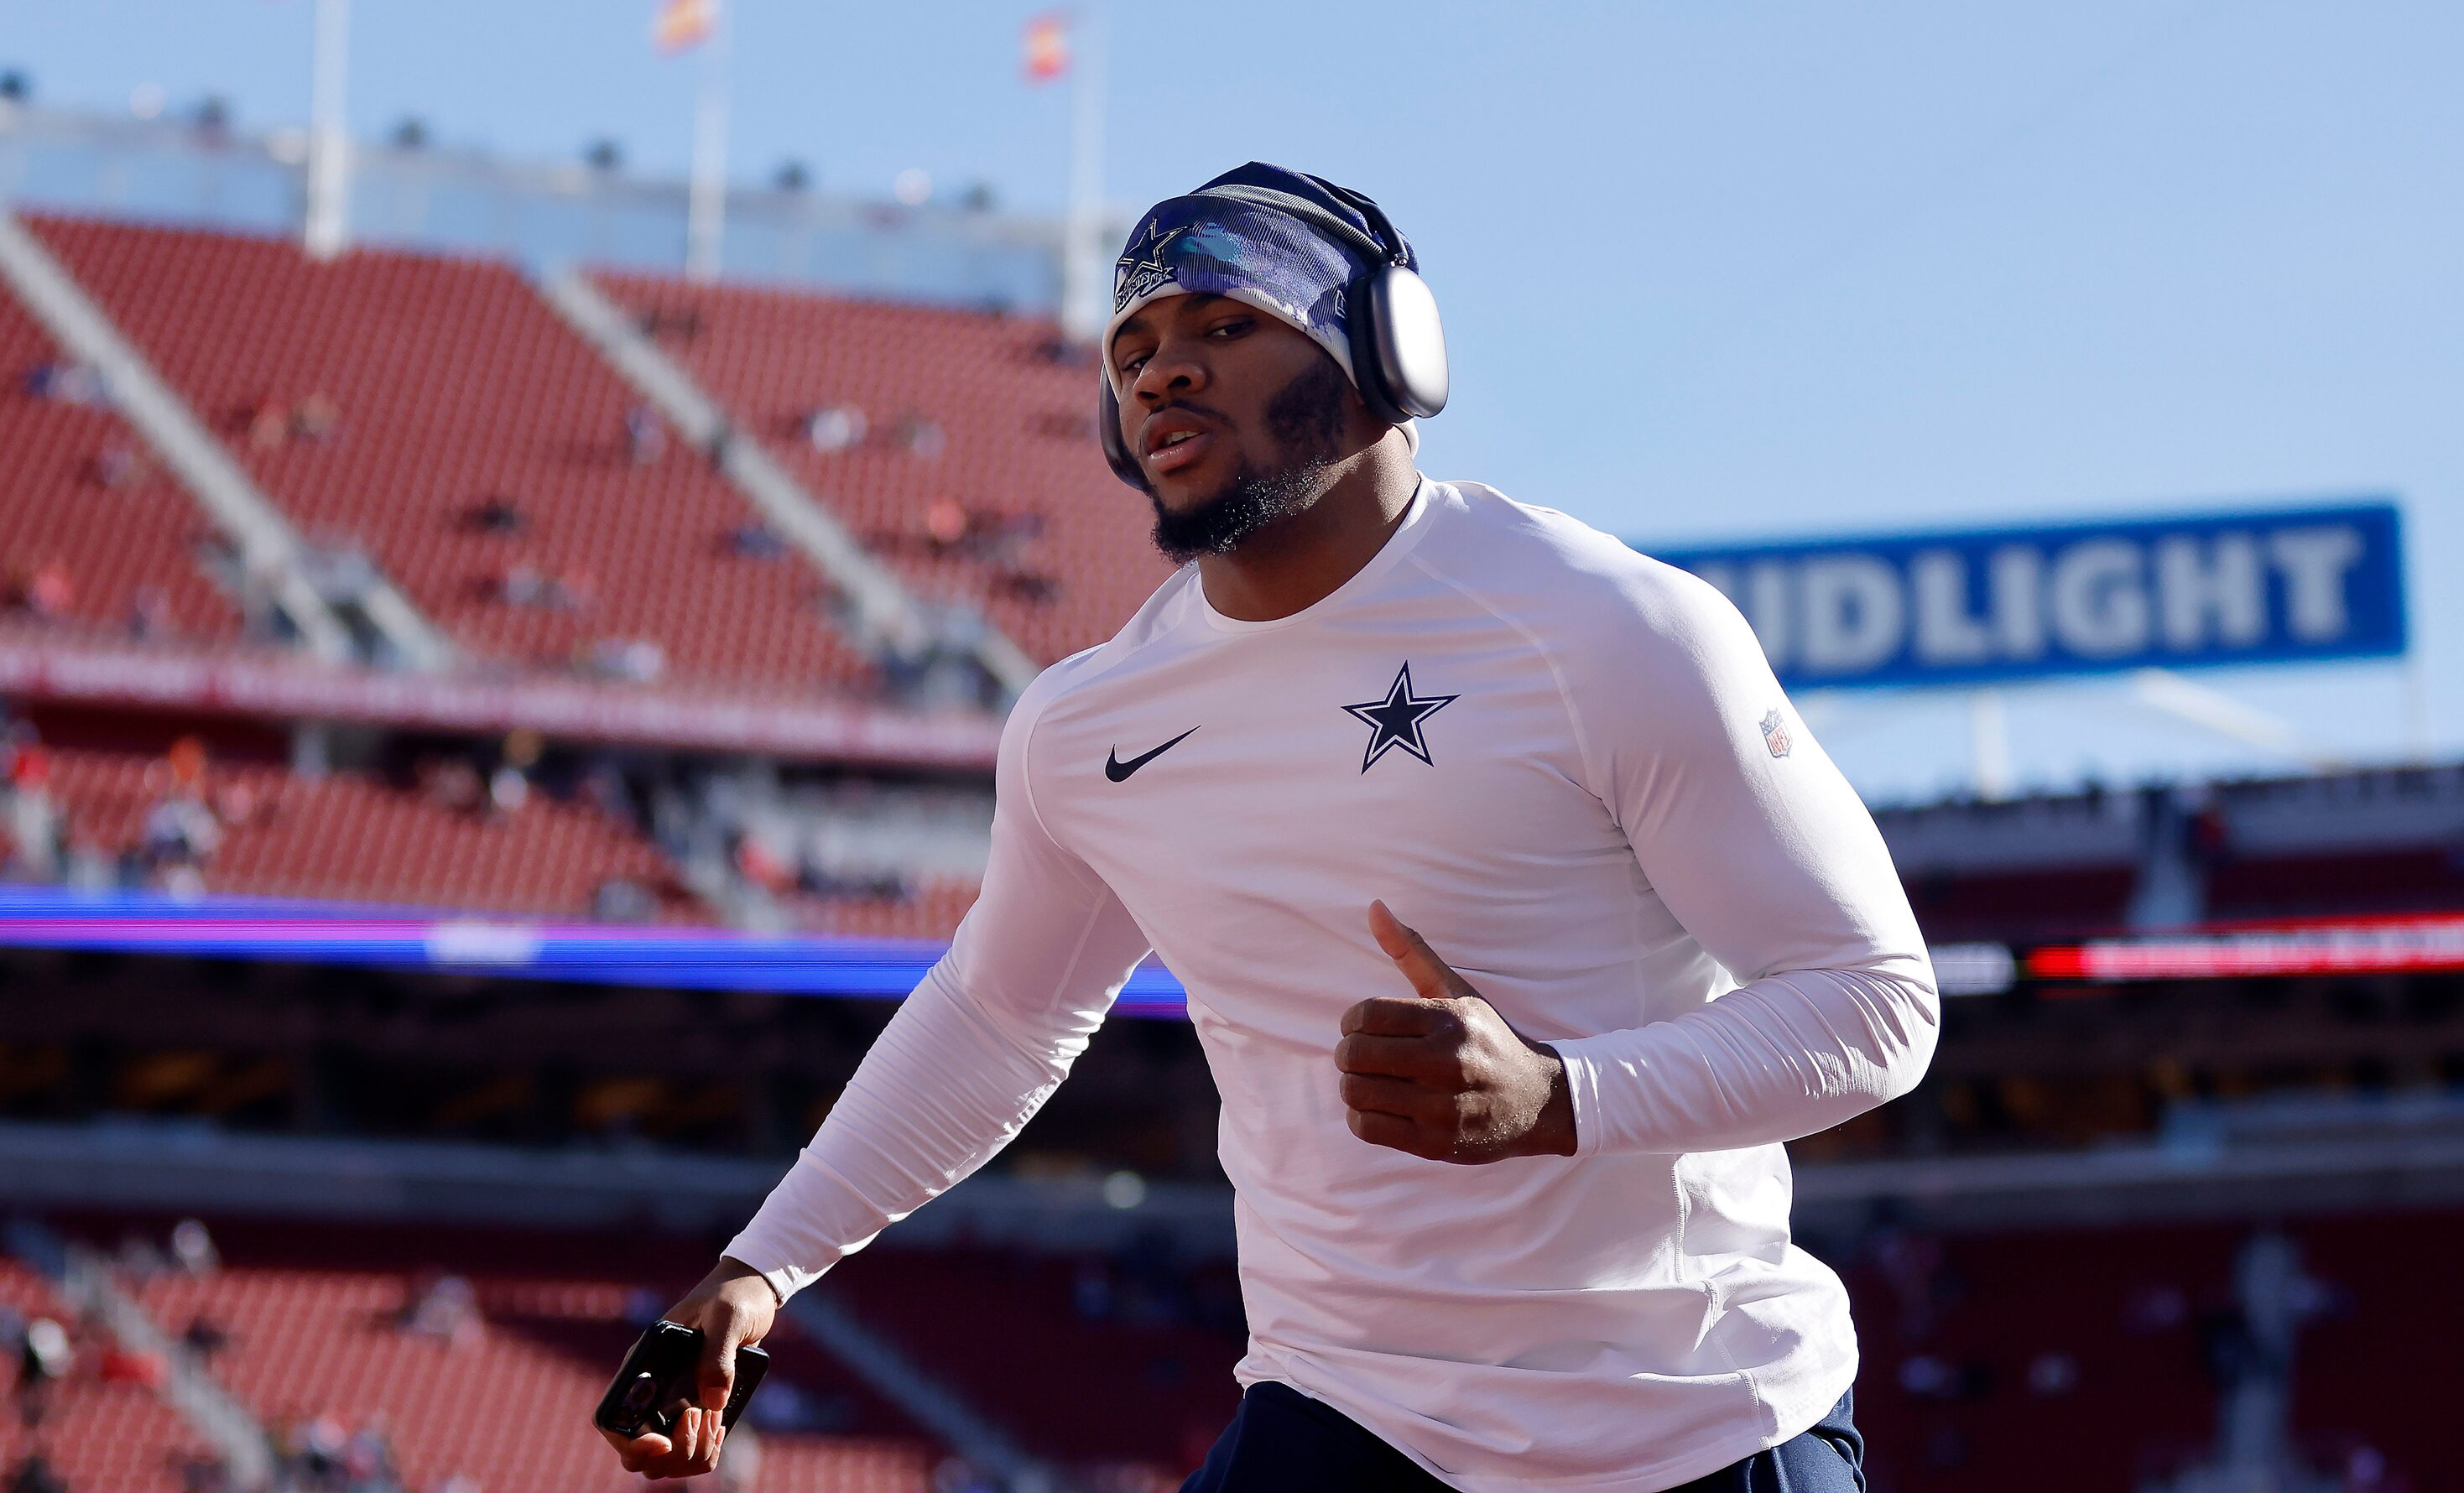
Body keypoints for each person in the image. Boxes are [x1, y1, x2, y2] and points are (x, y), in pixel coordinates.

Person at [602, 164, 1937, 1490]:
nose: (1162, 371)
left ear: (1384, 351)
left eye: (1223, 324)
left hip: (1693, 1425)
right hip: (1344, 1413)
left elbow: (1874, 1005)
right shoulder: (1083, 725)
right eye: (1131, 348)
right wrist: (765, 1262)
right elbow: (999, 1014)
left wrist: (1558, 1100)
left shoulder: (1610, 628)